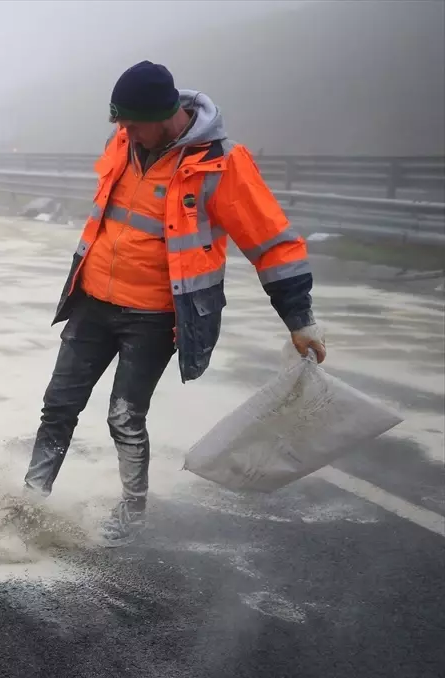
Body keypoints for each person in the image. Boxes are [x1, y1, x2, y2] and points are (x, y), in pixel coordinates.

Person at [21, 61, 326, 546]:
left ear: (165, 116)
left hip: (154, 315)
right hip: (93, 301)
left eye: (133, 123)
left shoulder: (221, 163)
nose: (125, 133)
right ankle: (30, 501)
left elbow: (272, 242)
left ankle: (131, 515)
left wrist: (300, 318)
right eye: (120, 123)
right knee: (57, 406)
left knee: (124, 416)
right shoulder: (124, 142)